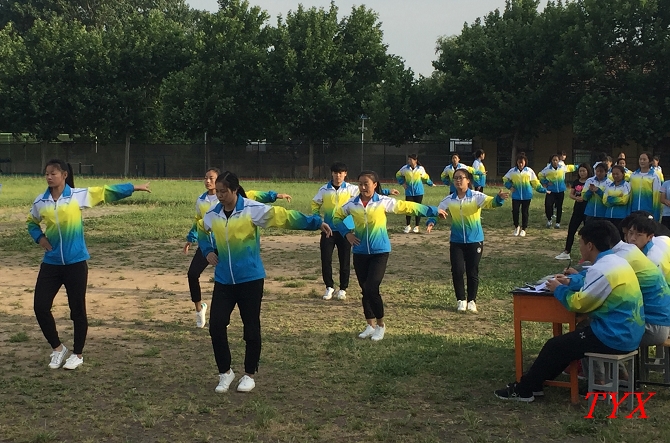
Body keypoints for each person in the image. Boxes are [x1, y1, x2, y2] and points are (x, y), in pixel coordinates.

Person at [198, 171, 331, 394]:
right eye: (217, 192)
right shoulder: (213, 214)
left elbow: (284, 217)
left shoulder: (252, 209)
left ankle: (249, 374)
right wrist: (208, 250)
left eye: (223, 192)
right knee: (216, 326)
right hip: (223, 280)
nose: (219, 196)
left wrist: (315, 222)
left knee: (251, 327)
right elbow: (201, 229)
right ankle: (225, 373)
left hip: (250, 279)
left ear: (234, 190)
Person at [494, 221, 645, 402]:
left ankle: (524, 390)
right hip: (628, 331)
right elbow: (593, 285)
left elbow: (578, 304)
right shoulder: (616, 262)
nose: (579, 248)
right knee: (563, 346)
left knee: (555, 346)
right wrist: (570, 281)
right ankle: (534, 384)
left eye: (580, 243)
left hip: (614, 335)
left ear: (590, 246)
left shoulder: (602, 269)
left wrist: (558, 289)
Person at [27, 159, 151, 370]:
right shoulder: (41, 201)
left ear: (64, 175)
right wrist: (40, 238)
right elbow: (31, 222)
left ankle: (77, 354)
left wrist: (133, 187)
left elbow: (105, 192)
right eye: (46, 173)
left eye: (53, 173)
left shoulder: (77, 196)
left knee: (77, 310)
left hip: (76, 263)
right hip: (51, 263)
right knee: (40, 306)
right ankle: (57, 349)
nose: (49, 177)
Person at [333, 170, 440, 342]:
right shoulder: (352, 204)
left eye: (366, 184)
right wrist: (347, 234)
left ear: (375, 185)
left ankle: (381, 325)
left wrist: (431, 210)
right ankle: (370, 325)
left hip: (380, 251)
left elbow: (406, 206)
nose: (363, 187)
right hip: (360, 252)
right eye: (360, 184)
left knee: (372, 288)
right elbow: (337, 217)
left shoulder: (383, 201)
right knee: (364, 289)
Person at [184, 168, 292, 328]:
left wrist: (276, 195)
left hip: (231, 248)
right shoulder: (201, 200)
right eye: (206, 178)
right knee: (193, 274)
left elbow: (260, 196)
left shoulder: (241, 198)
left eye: (211, 178)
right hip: (211, 245)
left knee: (235, 295)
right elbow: (200, 222)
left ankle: (223, 315)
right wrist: (192, 239)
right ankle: (200, 310)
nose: (208, 181)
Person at [312, 162, 398, 301]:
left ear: (345, 174)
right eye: (335, 173)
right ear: (332, 174)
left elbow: (369, 193)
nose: (338, 175)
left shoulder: (352, 189)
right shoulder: (324, 189)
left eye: (341, 173)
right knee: (326, 259)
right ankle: (329, 286)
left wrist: (387, 191)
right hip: (328, 230)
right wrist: (317, 218)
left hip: (347, 231)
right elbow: (315, 203)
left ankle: (343, 288)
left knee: (345, 260)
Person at [426, 169, 509, 312]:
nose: (458, 180)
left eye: (461, 178)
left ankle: (472, 300)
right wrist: (431, 221)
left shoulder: (476, 196)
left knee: (472, 271)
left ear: (468, 180)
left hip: (474, 240)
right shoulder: (449, 199)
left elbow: (491, 203)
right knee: (457, 270)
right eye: (455, 178)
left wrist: (498, 199)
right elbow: (438, 211)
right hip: (457, 241)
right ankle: (461, 300)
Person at [502, 152, 546, 237]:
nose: (521, 164)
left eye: (522, 162)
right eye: (519, 162)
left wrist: (543, 190)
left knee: (525, 212)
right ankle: (516, 227)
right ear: (517, 162)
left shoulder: (529, 171)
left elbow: (535, 182)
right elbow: (505, 179)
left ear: (525, 162)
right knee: (515, 211)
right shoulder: (512, 171)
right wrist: (510, 186)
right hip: (516, 195)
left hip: (527, 195)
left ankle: (524, 229)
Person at [555, 163, 592, 260]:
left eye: (584, 171)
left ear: (588, 171)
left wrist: (585, 198)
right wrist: (576, 198)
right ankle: (567, 251)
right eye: (580, 171)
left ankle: (589, 254)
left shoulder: (591, 182)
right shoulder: (576, 182)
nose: (582, 173)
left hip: (588, 210)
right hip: (577, 209)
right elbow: (571, 194)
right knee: (571, 230)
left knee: (588, 232)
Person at [396, 154, 434, 233]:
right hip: (409, 192)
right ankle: (408, 226)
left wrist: (431, 183)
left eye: (411, 159)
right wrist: (403, 183)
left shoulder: (420, 169)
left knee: (418, 209)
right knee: (408, 208)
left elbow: (426, 178)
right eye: (408, 159)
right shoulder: (405, 168)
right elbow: (398, 175)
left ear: (415, 160)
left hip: (418, 192)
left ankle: (417, 226)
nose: (409, 161)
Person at [538, 154, 577, 229]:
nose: (555, 162)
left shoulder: (562, 167)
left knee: (559, 206)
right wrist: (546, 182)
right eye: (553, 160)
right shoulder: (547, 169)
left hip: (560, 190)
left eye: (556, 160)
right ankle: (549, 219)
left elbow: (570, 167)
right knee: (548, 205)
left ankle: (558, 222)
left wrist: (578, 166)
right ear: (551, 161)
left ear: (559, 161)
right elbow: (540, 175)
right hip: (551, 191)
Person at [630, 151, 662, 221]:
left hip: (647, 212)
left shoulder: (654, 176)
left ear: (650, 162)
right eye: (640, 159)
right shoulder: (633, 175)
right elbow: (630, 194)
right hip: (634, 211)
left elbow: (656, 197)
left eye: (644, 159)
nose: (642, 161)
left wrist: (656, 215)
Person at [602, 165, 631, 237]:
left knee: (619, 237)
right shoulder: (609, 185)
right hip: (608, 215)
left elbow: (624, 200)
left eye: (617, 174)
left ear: (623, 174)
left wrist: (611, 199)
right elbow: (604, 201)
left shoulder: (626, 185)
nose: (615, 176)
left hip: (620, 217)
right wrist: (617, 198)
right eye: (613, 174)